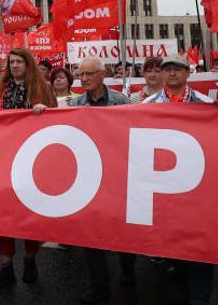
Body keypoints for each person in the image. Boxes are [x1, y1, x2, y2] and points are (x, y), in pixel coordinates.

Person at [143, 55, 215, 305]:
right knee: (172, 243)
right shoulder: (147, 104)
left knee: (200, 243)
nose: (172, 73)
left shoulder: (207, 103)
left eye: (178, 69)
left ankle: (199, 297)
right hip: (163, 183)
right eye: (168, 69)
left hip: (198, 184)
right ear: (162, 75)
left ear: (188, 73)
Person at [68, 57, 136, 303]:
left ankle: (127, 269)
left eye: (89, 73)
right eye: (81, 73)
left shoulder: (121, 102)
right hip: (88, 178)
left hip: (118, 176)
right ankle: (99, 285)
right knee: (91, 233)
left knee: (123, 230)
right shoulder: (74, 104)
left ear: (102, 74)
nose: (84, 78)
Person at [0, 48, 56, 291]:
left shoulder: (43, 89)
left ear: (28, 64)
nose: (15, 65)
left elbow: (57, 121)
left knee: (28, 214)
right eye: (11, 62)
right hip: (2, 159)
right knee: (3, 215)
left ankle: (29, 259)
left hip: (31, 161)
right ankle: (6, 267)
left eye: (19, 61)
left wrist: (44, 111)